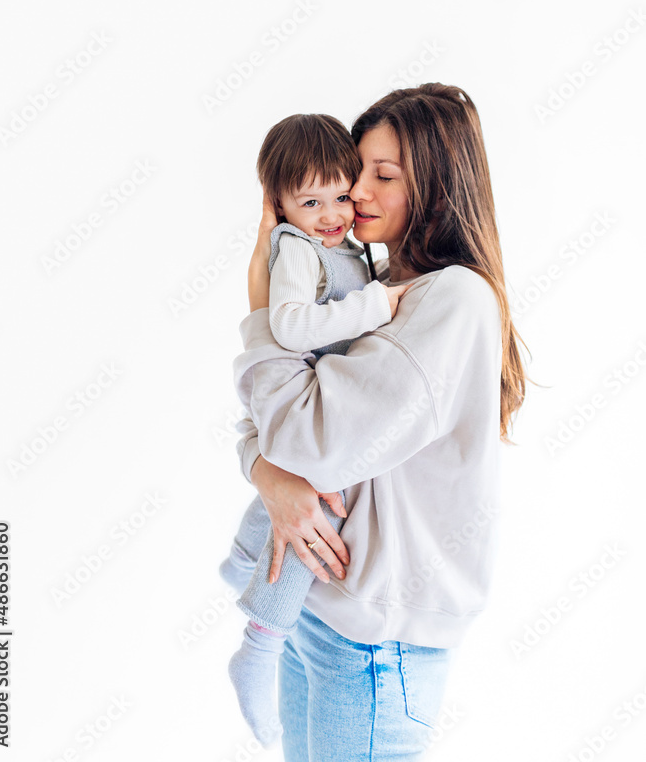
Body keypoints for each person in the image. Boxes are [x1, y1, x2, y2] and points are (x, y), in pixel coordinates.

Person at [232, 83, 529, 761]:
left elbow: (306, 441)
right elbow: (283, 422)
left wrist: (260, 314)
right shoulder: (378, 283)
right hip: (321, 612)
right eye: (356, 168)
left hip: (375, 643)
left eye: (383, 175)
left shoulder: (449, 299)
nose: (355, 191)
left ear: (439, 189)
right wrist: (264, 472)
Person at [219, 114, 411, 747]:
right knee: (314, 527)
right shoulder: (298, 250)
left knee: (290, 506)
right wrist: (376, 305)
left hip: (314, 414)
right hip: (302, 411)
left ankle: (241, 563)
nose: (332, 214)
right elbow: (292, 326)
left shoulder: (342, 246)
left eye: (341, 196)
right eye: (310, 202)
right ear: (277, 205)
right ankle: (260, 645)